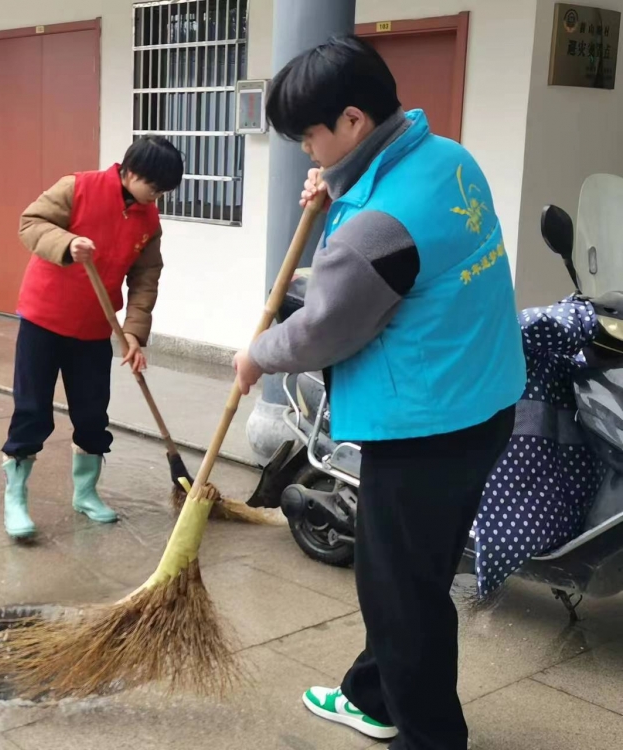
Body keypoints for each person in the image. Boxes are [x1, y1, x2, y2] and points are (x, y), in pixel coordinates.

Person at [232, 36, 526, 750]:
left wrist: (256, 356)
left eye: (311, 136)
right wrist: (335, 187)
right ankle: (372, 694)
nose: (307, 150)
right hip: (485, 402)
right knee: (406, 574)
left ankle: (428, 735)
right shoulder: (448, 158)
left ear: (355, 121)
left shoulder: (376, 228)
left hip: (426, 429)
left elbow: (324, 330)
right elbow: (387, 227)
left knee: (404, 595)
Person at [1, 136, 184, 540]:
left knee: (91, 414)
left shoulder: (148, 220)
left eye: (162, 193)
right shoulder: (77, 187)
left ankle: (85, 494)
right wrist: (67, 242)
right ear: (131, 171)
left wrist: (135, 333)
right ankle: (15, 498)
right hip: (43, 318)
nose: (156, 198)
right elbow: (30, 223)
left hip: (95, 325)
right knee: (32, 410)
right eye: (154, 188)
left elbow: (145, 278)